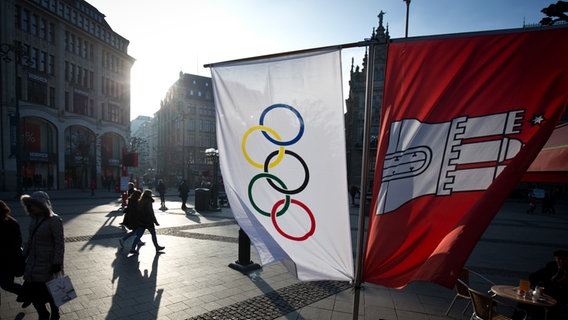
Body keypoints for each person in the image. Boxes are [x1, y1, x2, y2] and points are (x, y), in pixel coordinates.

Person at [19, 191, 65, 320]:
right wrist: (23, 256)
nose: (30, 207)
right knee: (35, 296)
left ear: (42, 205)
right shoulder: (34, 219)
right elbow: (30, 240)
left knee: (52, 293)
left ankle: (55, 312)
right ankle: (43, 313)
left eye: (33, 204)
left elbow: (59, 244)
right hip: (33, 265)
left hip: (49, 265)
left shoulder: (54, 220)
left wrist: (57, 263)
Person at [527, 250, 568, 318]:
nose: (561, 262)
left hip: (559, 300)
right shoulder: (551, 267)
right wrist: (534, 287)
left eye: (564, 259)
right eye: (559, 259)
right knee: (524, 304)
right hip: (544, 297)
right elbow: (533, 277)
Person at [0, 200, 24, 299]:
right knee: (6, 284)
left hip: (7, 261)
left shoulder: (11, 223)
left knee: (6, 285)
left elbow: (17, 243)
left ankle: (26, 293)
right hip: (5, 260)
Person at [130, 189, 165, 254]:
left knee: (138, 236)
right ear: (149, 194)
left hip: (141, 221)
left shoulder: (140, 200)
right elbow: (151, 212)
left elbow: (138, 211)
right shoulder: (148, 201)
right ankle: (157, 247)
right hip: (148, 221)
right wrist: (155, 221)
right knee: (153, 234)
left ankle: (132, 248)